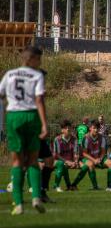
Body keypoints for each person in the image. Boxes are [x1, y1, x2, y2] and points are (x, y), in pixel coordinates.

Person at [0, 46, 48, 215]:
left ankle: (18, 204)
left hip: (13, 116)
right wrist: (44, 124)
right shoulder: (37, 75)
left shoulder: (9, 75)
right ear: (32, 59)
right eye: (39, 59)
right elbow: (39, 99)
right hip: (31, 116)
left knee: (17, 162)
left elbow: (1, 94)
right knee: (33, 160)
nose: (40, 62)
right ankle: (35, 197)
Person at [71, 120, 111, 190]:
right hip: (87, 158)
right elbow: (84, 153)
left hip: (99, 158)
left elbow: (103, 151)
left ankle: (109, 186)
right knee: (90, 164)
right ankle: (95, 186)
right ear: (90, 128)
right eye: (94, 128)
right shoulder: (86, 138)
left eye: (97, 128)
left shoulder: (102, 138)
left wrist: (100, 159)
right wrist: (94, 160)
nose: (96, 130)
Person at [52, 119, 79, 192]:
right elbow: (56, 155)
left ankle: (71, 185)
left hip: (71, 162)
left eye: (69, 127)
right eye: (66, 128)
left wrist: (76, 161)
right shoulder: (57, 139)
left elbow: (76, 153)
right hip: (58, 161)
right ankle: (57, 186)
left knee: (85, 166)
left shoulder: (74, 139)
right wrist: (67, 161)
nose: (68, 129)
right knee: (61, 164)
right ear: (62, 130)